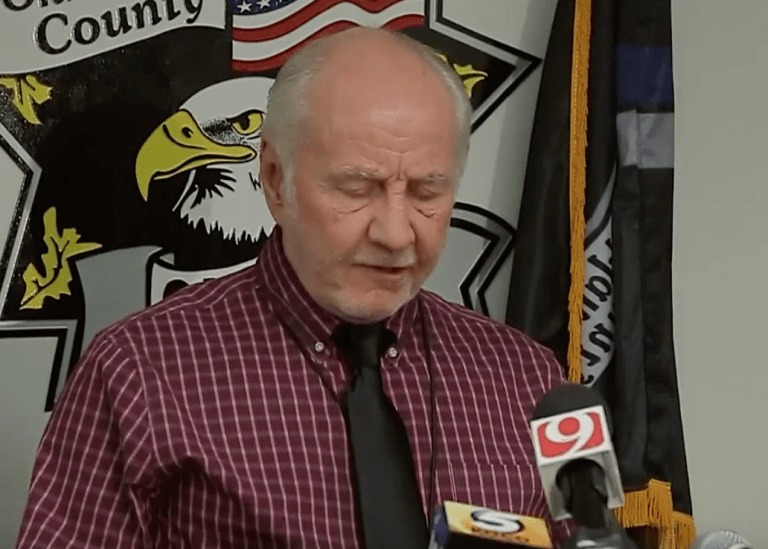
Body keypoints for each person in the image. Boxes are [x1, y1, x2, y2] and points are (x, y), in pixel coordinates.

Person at [15, 27, 572, 548]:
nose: (396, 234)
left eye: (428, 192)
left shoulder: (529, 378)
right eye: (357, 188)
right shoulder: (138, 371)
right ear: (276, 180)